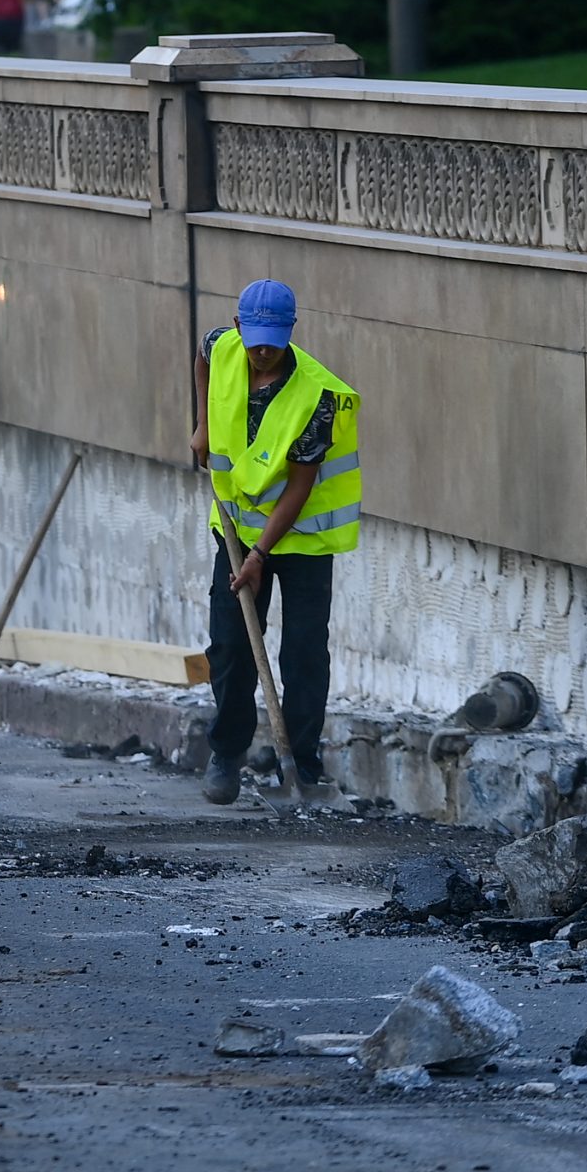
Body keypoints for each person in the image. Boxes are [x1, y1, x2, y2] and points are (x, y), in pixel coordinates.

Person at [189, 279, 363, 805]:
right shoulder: (223, 346)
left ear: (291, 331)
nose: (263, 352)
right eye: (255, 341)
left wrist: (260, 556)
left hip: (304, 537)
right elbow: (202, 356)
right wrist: (202, 425)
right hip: (238, 529)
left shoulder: (318, 397)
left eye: (273, 343)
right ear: (238, 327)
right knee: (230, 645)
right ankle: (227, 754)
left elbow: (300, 485)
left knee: (304, 654)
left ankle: (303, 767)